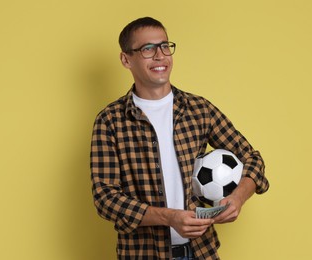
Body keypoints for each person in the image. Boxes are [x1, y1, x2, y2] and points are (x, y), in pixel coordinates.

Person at [90, 17, 269, 260]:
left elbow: (252, 158)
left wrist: (239, 197)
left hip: (201, 252)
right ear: (126, 59)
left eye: (165, 46)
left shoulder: (198, 109)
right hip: (142, 254)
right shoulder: (110, 120)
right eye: (148, 49)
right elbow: (105, 197)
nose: (160, 56)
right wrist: (169, 217)